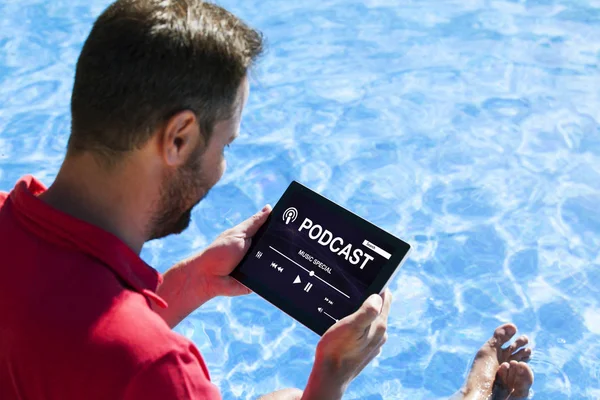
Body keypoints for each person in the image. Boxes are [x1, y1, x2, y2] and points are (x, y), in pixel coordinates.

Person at [0, 0, 533, 399]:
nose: (221, 168)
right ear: (179, 138)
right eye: (225, 144)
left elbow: (76, 348)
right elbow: (118, 359)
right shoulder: (158, 369)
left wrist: (192, 281)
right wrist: (330, 376)